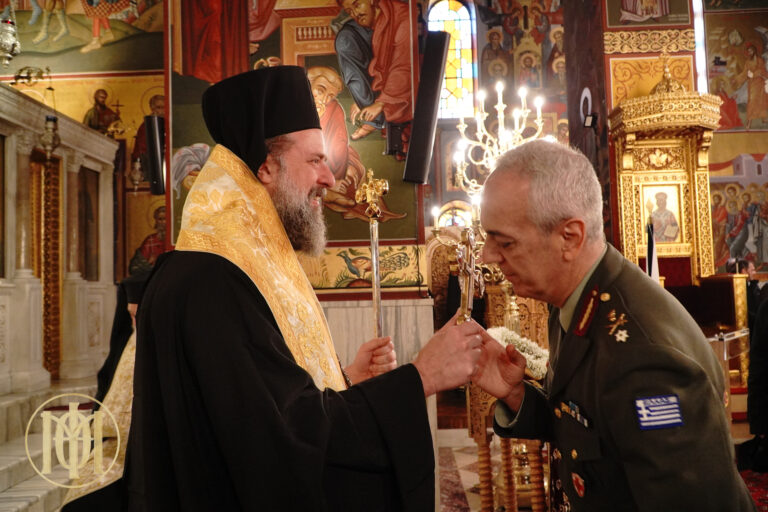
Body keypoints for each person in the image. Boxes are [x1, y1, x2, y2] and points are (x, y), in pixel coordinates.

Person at [126, 66, 486, 511]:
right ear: (265, 166)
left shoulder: (232, 265)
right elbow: (283, 441)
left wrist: (345, 380)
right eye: (315, 160)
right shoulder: (213, 282)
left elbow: (265, 402)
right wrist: (422, 377)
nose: (330, 179)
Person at [472, 139, 756, 510]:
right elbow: (591, 431)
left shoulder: (644, 357)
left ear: (569, 238)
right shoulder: (575, 301)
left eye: (505, 243)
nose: (487, 256)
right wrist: (517, 396)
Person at [128, 205, 166, 275]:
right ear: (156, 221)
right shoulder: (150, 240)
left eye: (165, 219)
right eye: (160, 219)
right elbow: (135, 267)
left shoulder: (176, 240)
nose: (163, 222)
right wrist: (148, 263)